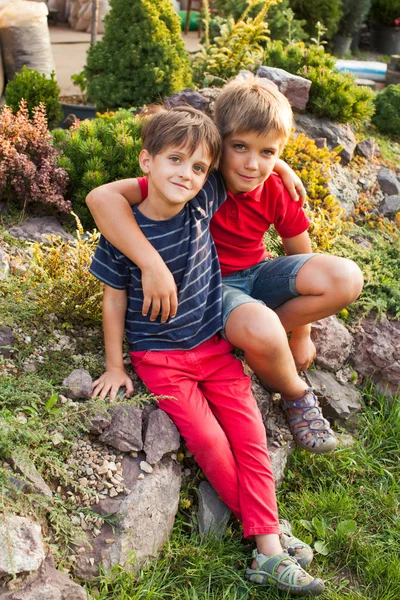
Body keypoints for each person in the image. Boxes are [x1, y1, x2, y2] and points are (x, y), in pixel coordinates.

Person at [89, 105, 325, 596]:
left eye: (197, 168)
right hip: (161, 362)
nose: (187, 174)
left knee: (250, 437)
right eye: (174, 160)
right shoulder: (123, 235)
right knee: (213, 445)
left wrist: (279, 164)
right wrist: (116, 365)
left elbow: (243, 164)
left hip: (213, 349)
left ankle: (268, 553)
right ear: (146, 161)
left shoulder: (203, 201)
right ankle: (272, 543)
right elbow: (113, 300)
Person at [86, 75, 364, 454]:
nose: (252, 164)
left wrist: (301, 335)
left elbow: (298, 251)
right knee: (262, 327)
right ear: (218, 146)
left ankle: (261, 340)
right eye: (239, 147)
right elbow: (102, 198)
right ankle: (296, 393)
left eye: (267, 153)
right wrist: (151, 265)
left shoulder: (275, 186)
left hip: (257, 276)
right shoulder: (196, 179)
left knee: (345, 277)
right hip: (213, 288)